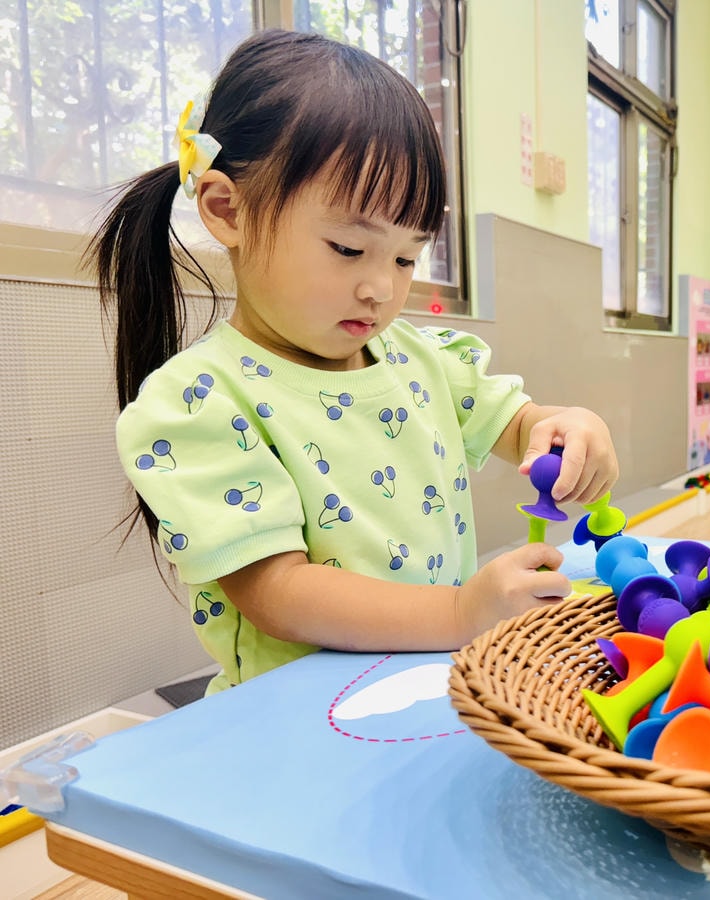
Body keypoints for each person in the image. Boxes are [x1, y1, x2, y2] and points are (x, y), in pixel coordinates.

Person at [92, 29, 619, 694]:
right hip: (295, 718)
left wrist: (566, 428)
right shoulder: (202, 402)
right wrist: (461, 612)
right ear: (227, 211)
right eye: (348, 249)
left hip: (435, 686)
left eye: (405, 257)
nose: (381, 288)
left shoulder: (423, 361)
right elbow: (278, 592)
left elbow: (519, 425)